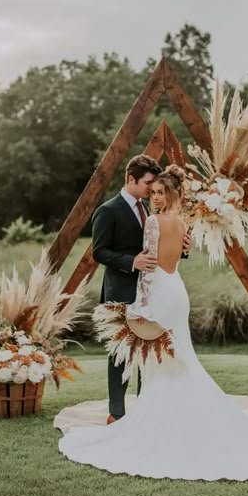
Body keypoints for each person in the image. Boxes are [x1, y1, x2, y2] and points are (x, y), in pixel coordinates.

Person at [55, 165, 248, 481]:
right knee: (176, 358)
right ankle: (157, 415)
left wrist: (139, 308)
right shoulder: (177, 221)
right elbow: (141, 254)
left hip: (156, 291)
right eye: (151, 189)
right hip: (175, 291)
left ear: (170, 194)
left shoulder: (154, 221)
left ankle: (157, 420)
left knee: (163, 359)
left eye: (158, 191)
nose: (153, 195)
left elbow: (148, 273)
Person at [90, 154, 191, 424]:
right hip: (120, 291)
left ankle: (145, 408)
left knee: (148, 353)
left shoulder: (151, 211)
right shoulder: (108, 210)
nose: (151, 189)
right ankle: (116, 413)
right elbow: (98, 252)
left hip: (153, 292)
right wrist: (131, 262)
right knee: (120, 355)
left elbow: (157, 249)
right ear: (130, 179)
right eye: (148, 183)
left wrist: (182, 249)